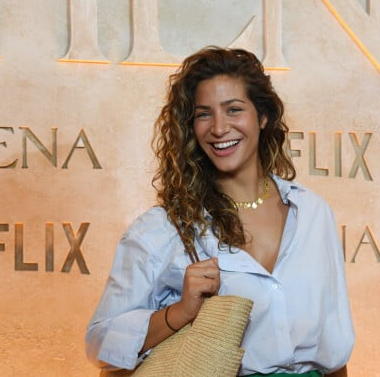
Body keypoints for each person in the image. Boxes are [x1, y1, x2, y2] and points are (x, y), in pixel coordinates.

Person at [86, 46, 355, 376]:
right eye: (203, 114)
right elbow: (101, 343)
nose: (218, 128)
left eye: (234, 109)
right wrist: (181, 312)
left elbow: (334, 349)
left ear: (263, 116)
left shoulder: (314, 214)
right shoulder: (164, 229)